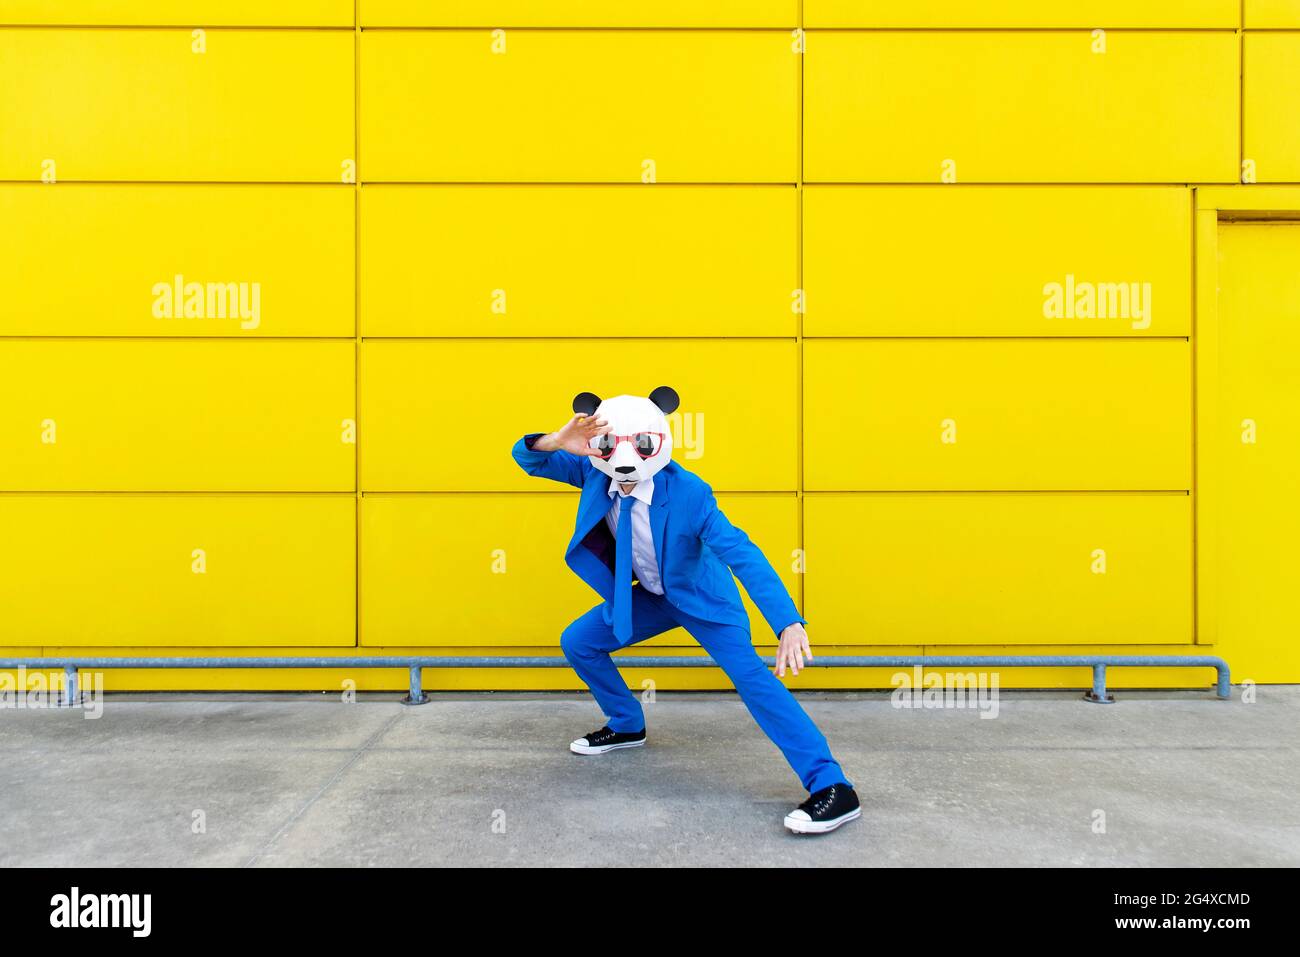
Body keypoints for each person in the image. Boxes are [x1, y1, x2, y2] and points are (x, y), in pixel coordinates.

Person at [511, 386, 860, 834]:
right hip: (652, 597)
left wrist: (788, 621)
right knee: (579, 642)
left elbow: (742, 553)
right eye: (610, 446)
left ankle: (833, 785)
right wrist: (557, 440)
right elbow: (530, 459)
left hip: (704, 602)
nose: (624, 459)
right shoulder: (595, 472)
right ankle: (626, 724)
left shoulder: (690, 493)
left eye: (638, 445)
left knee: (754, 682)